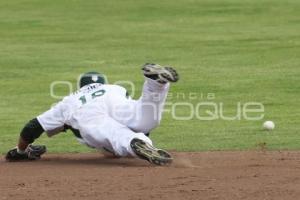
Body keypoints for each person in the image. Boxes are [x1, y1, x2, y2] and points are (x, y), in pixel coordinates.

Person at [5, 63, 179, 165]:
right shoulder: (113, 87)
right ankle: (155, 84)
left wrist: (21, 150)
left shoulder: (69, 102)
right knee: (145, 119)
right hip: (116, 101)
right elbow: (133, 123)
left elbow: (32, 127)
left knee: (116, 135)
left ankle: (136, 142)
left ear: (81, 87)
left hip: (88, 115)